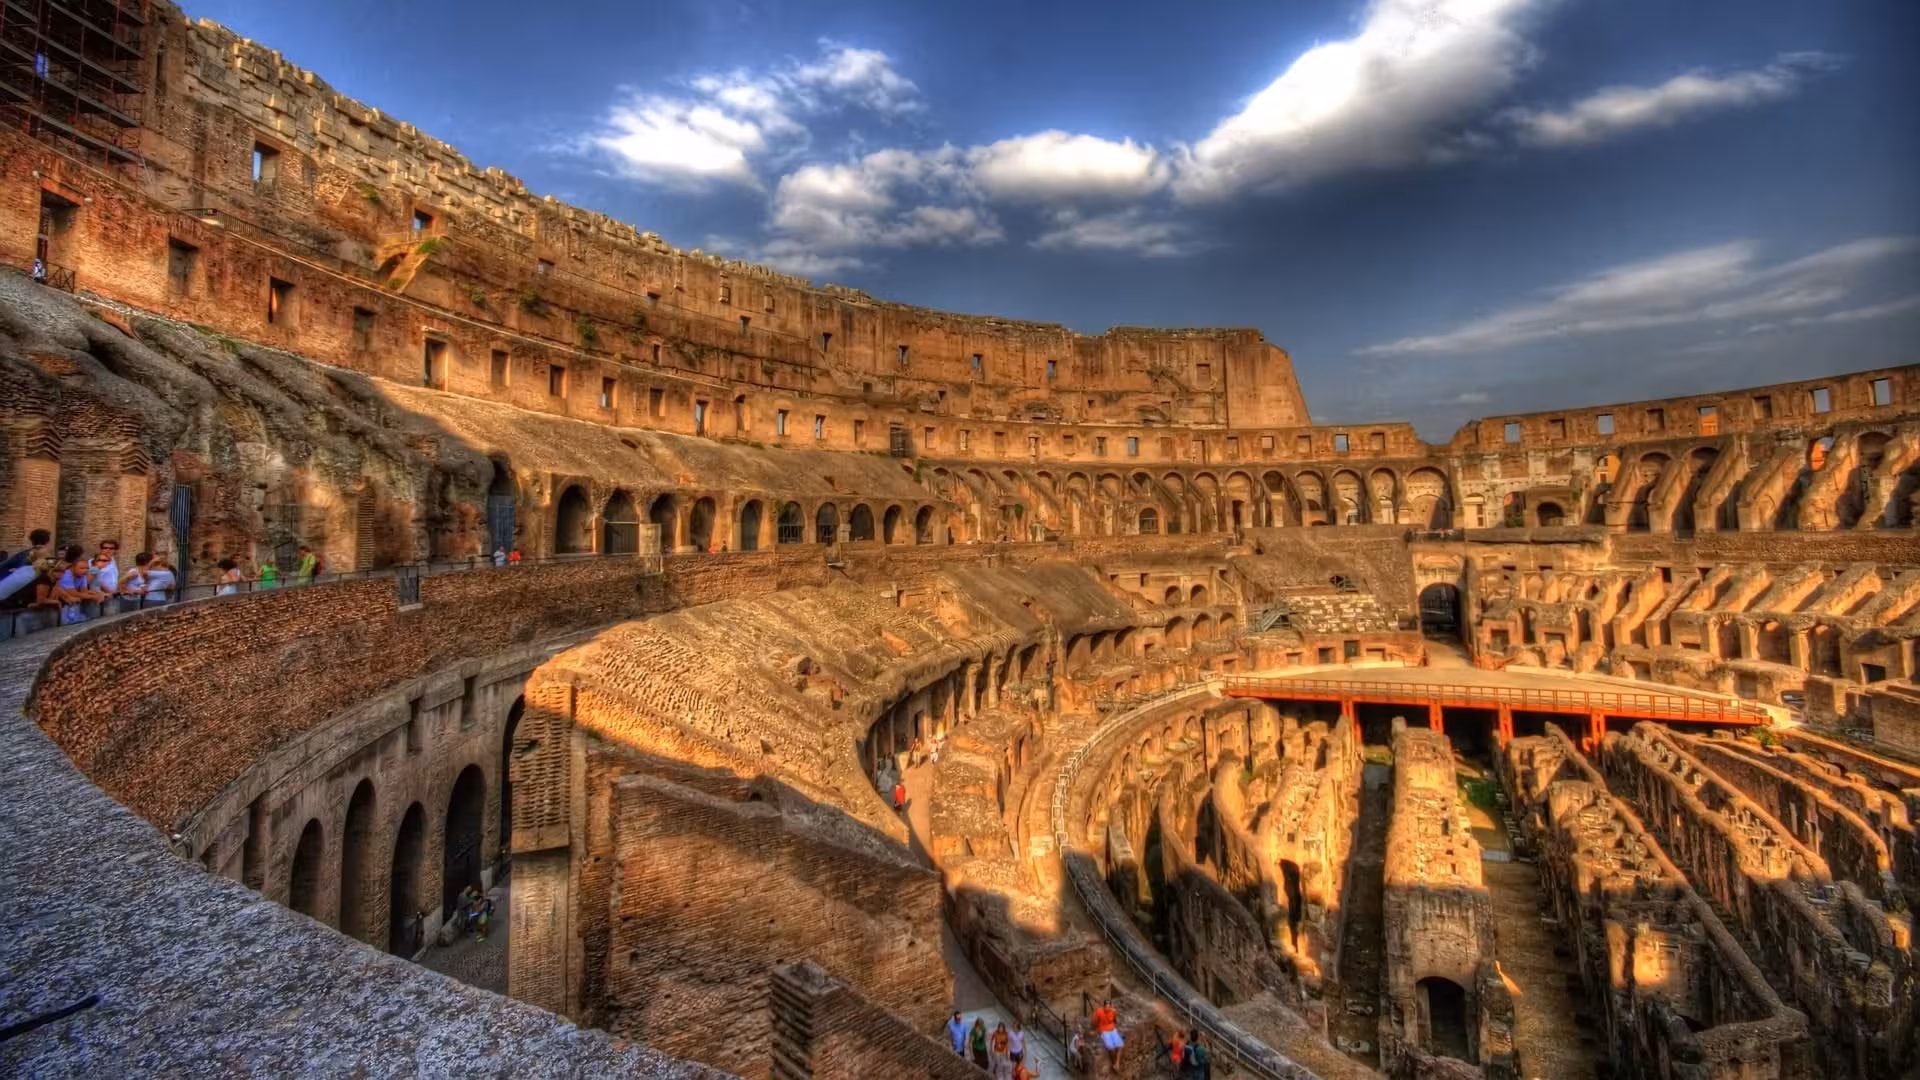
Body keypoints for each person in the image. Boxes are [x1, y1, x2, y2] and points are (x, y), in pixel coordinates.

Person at [54, 546, 102, 624]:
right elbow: (73, 593)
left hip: (72, 599)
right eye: (82, 568)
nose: (85, 571)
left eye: (87, 568)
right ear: (73, 567)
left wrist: (97, 594)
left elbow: (84, 591)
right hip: (62, 599)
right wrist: (94, 596)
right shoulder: (66, 575)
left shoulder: (82, 576)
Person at [90, 540, 121, 613]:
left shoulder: (113, 561)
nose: (108, 550)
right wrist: (109, 591)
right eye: (105, 548)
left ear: (115, 550)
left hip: (111, 596)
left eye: (111, 548)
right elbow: (94, 580)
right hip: (100, 596)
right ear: (101, 549)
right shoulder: (94, 562)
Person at [1092, 999, 1123, 1071]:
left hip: (1112, 1029)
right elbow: (1094, 1022)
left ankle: (1117, 1063)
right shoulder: (1099, 1011)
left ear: (1111, 1006)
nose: (1107, 1008)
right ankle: (1114, 1063)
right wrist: (1097, 1030)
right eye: (1106, 1007)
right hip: (1104, 1031)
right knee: (1111, 1047)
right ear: (1104, 1006)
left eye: (1109, 1007)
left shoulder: (1113, 1011)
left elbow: (1115, 1020)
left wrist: (1115, 1023)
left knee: (1120, 1045)